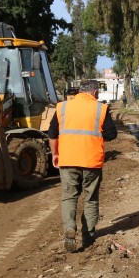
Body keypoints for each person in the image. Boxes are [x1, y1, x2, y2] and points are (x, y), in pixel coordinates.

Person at [48, 80, 118, 252]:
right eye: (98, 94)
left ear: (80, 91)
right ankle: (88, 237)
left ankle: (69, 229)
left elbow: (52, 134)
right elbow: (112, 134)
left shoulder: (62, 107)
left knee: (69, 197)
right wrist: (96, 140)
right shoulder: (100, 108)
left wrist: (55, 154)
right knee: (90, 198)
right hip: (91, 161)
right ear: (94, 93)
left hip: (68, 160)